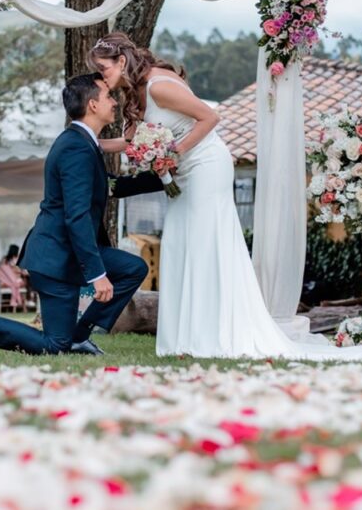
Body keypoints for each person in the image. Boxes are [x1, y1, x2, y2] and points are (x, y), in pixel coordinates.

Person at [88, 32, 340, 359]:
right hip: (181, 172)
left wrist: (172, 152)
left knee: (207, 244)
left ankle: (215, 333)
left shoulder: (158, 85)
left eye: (104, 70)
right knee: (181, 242)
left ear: (121, 62)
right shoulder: (135, 91)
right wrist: (88, 141)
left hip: (206, 166)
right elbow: (132, 141)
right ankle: (187, 336)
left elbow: (210, 117)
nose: (102, 78)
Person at [0, 73, 163, 355]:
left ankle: (79, 335)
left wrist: (162, 176)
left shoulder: (84, 143)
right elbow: (76, 215)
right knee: (54, 345)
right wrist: (97, 275)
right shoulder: (76, 147)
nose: (114, 102)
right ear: (93, 105)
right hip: (56, 258)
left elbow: (111, 185)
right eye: (109, 96)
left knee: (133, 268)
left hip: (67, 253)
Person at [0, 244, 26, 311]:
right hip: (16, 281)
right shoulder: (18, 259)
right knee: (20, 282)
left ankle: (11, 305)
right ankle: (21, 304)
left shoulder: (4, 260)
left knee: (15, 282)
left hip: (5, 282)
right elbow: (22, 271)